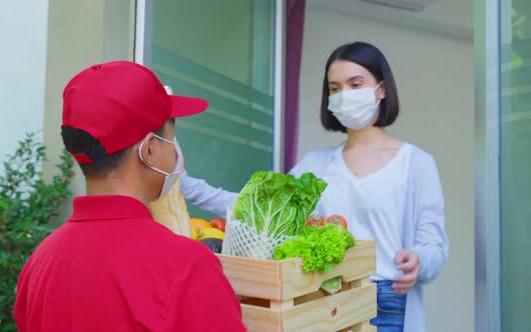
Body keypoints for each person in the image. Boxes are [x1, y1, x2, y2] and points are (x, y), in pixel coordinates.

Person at [179, 42, 448, 332]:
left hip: (388, 303)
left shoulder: (416, 163)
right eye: (335, 88)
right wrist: (184, 183)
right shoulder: (316, 166)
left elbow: (434, 245)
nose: (344, 95)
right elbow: (256, 209)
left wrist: (420, 261)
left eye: (355, 84)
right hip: (326, 301)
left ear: (381, 90)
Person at [13, 61, 246, 332]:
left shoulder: (40, 263)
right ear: (148, 150)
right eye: (173, 139)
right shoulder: (187, 267)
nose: (177, 155)